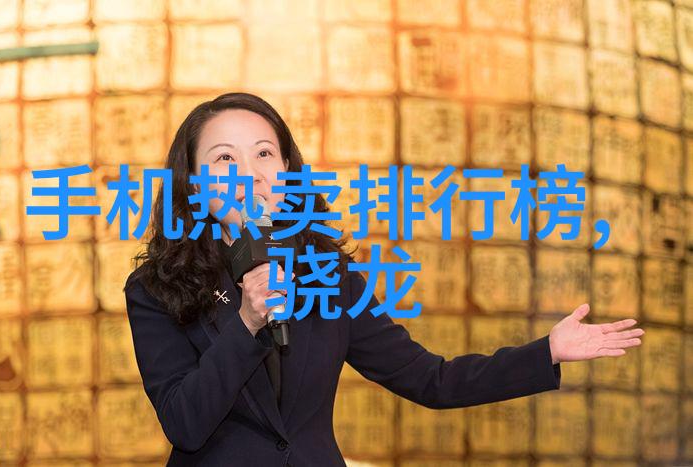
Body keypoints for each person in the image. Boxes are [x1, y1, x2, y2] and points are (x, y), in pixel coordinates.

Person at [124, 92, 644, 466]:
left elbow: (429, 379)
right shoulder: (155, 290)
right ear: (193, 183)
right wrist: (246, 322)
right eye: (224, 158)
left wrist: (545, 352)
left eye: (264, 153)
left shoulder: (328, 275)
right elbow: (185, 425)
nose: (250, 172)